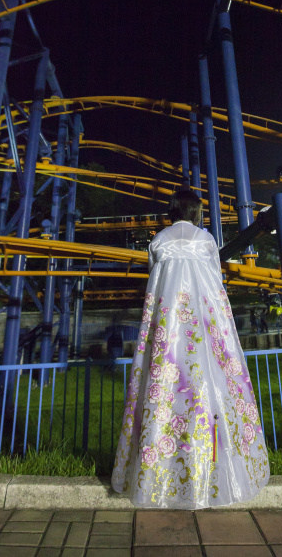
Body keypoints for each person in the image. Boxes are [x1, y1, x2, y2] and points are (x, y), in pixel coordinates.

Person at [111, 189, 269, 509]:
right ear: (197, 211)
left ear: (171, 211)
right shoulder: (206, 240)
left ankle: (158, 472)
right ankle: (216, 469)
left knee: (163, 392)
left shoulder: (158, 242)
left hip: (167, 328)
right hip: (204, 323)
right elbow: (214, 279)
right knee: (213, 390)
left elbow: (153, 280)